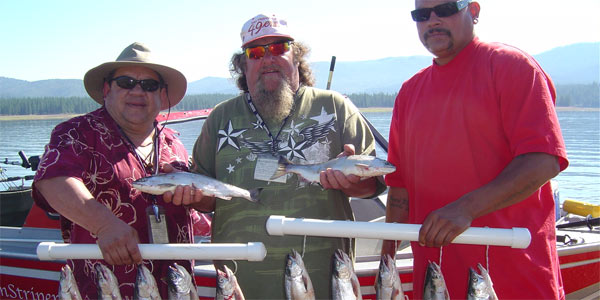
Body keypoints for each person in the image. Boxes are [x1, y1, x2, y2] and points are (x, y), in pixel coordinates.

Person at [164, 13, 386, 299]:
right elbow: (208, 200)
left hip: (325, 282)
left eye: (279, 48)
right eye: (255, 52)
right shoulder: (220, 119)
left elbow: (373, 186)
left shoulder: (336, 107)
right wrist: (191, 194)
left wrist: (351, 181)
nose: (267, 59)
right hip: (238, 284)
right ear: (243, 65)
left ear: (297, 56)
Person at [381, 0, 569, 299]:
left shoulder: (513, 67)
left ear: (474, 11)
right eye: (421, 14)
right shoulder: (410, 92)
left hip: (514, 277)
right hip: (435, 279)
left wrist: (464, 209)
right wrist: (386, 261)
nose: (432, 20)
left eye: (444, 10)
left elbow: (543, 160)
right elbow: (399, 188)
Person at [32, 42, 198, 298]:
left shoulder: (173, 143)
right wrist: (104, 224)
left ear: (162, 96)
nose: (138, 91)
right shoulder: (76, 133)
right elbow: (53, 181)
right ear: (107, 88)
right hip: (105, 288)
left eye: (150, 85)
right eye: (126, 82)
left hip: (177, 287)